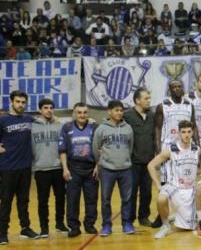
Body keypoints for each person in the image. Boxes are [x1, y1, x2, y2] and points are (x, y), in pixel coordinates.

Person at [148, 120, 201, 239]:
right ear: (178, 133)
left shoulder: (197, 149)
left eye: (189, 132)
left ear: (192, 132)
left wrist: (199, 173)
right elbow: (151, 166)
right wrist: (159, 186)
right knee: (161, 198)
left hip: (190, 189)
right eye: (183, 132)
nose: (186, 135)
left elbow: (200, 167)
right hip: (174, 187)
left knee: (187, 228)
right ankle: (165, 225)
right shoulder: (170, 150)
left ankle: (192, 218)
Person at [0, 91, 38, 244]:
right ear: (11, 102)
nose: (20, 105)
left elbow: (48, 121)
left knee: (24, 200)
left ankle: (25, 228)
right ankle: (2, 232)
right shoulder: (3, 120)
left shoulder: (29, 119)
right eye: (18, 101)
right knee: (6, 201)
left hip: (25, 167)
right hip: (7, 167)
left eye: (23, 102)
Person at [92, 100, 135, 237]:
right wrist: (102, 162)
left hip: (125, 169)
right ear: (109, 111)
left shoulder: (128, 128)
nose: (119, 113)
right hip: (107, 169)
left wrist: (125, 159)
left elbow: (130, 147)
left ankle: (127, 224)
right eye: (116, 110)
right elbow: (95, 148)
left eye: (121, 110)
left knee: (127, 199)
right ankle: (106, 225)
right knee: (105, 199)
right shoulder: (101, 129)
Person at [59, 103, 99, 238]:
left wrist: (98, 166)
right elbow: (62, 150)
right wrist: (65, 168)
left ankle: (89, 224)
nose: (82, 115)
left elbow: (101, 148)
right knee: (72, 199)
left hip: (91, 169)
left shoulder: (95, 127)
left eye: (84, 112)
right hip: (73, 168)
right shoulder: (67, 127)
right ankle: (74, 227)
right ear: (74, 114)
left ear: (88, 113)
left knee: (91, 199)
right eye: (79, 112)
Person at [31, 98, 68, 237]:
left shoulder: (59, 125)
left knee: (60, 198)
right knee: (42, 200)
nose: (49, 110)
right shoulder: (32, 126)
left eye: (51, 108)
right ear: (40, 110)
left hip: (58, 167)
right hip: (41, 168)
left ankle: (60, 223)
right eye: (45, 108)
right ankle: (44, 228)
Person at [123, 88, 155, 227]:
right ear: (137, 100)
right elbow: (111, 122)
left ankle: (144, 217)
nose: (149, 101)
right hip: (132, 163)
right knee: (131, 193)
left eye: (149, 98)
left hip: (149, 162)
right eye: (146, 98)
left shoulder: (152, 116)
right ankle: (129, 220)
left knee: (147, 192)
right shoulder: (127, 115)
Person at [154, 80, 198, 182]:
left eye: (179, 87)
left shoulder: (189, 105)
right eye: (174, 87)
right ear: (169, 90)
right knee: (166, 178)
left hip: (185, 146)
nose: (177, 89)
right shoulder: (162, 106)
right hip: (167, 145)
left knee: (183, 177)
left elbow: (194, 126)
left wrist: (198, 144)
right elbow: (157, 128)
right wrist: (158, 150)